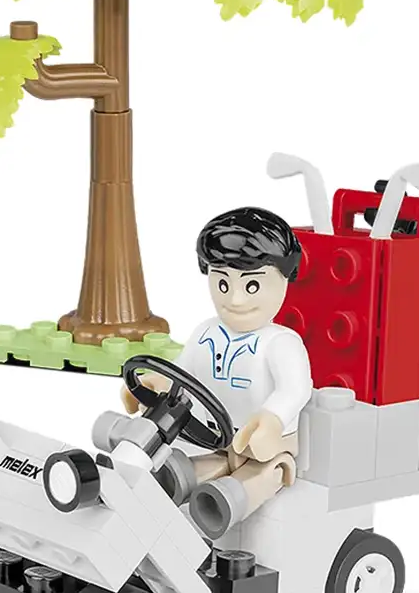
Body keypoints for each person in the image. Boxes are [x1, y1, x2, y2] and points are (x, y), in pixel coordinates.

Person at [122, 207, 312, 537]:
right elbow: (183, 374)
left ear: (284, 279)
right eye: (223, 283)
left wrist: (271, 419)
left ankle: (221, 507)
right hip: (215, 440)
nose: (235, 299)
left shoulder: (281, 343)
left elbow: (295, 389)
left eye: (251, 286)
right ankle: (170, 494)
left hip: (267, 448)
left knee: (252, 481)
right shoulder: (206, 332)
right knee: (179, 473)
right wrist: (153, 383)